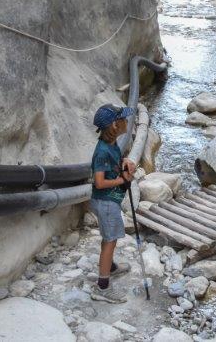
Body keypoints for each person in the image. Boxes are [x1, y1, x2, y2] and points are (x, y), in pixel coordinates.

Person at [88, 104, 137, 303]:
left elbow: (114, 162)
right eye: (123, 119)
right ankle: (102, 287)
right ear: (115, 125)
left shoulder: (111, 144)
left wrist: (124, 162)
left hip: (108, 202)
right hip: (106, 202)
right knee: (110, 241)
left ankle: (110, 267)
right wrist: (123, 180)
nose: (127, 121)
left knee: (110, 238)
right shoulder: (101, 151)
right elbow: (99, 182)